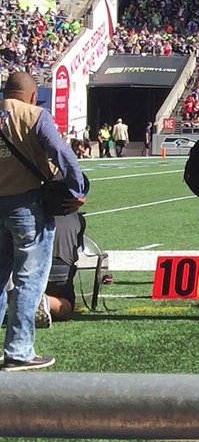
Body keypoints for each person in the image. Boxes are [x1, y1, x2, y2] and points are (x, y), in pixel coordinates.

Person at [0, 71, 87, 370]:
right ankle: (19, 350)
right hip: (26, 205)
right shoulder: (35, 115)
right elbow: (61, 152)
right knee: (29, 278)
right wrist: (77, 189)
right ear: (33, 96)